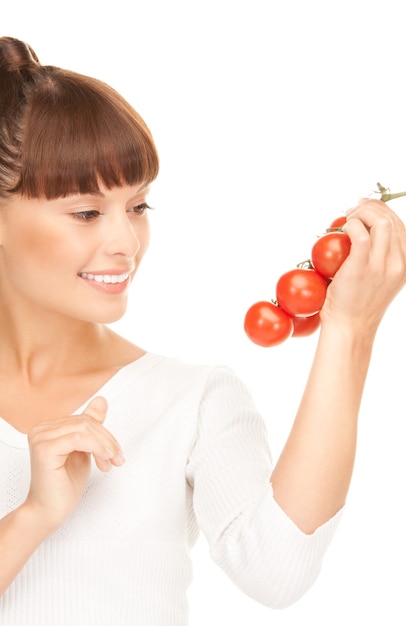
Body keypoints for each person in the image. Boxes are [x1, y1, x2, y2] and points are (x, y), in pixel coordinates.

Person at [0, 35, 405, 626]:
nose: (126, 243)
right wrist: (34, 514)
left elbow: (278, 571)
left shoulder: (191, 399)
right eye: (87, 212)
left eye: (138, 207)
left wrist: (350, 330)